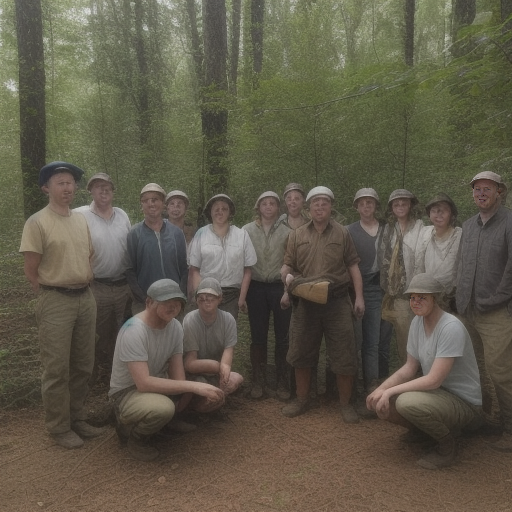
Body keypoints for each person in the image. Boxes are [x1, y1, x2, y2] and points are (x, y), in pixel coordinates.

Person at [19, 161, 104, 449]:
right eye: (61, 183)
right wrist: (48, 292)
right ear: (46, 188)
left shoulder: (81, 220)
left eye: (71, 183)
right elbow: (32, 269)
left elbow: (88, 255)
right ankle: (58, 426)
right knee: (56, 368)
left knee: (83, 364)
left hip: (85, 298)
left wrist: (83, 280)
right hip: (55, 299)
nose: (68, 188)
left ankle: (77, 417)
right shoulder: (37, 222)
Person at [367, 274, 483, 470]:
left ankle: (447, 445)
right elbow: (409, 368)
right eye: (413, 297)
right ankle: (425, 432)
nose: (416, 302)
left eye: (423, 297)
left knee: (404, 401)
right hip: (439, 396)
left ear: (435, 299)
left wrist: (389, 391)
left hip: (465, 403)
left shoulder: (450, 327)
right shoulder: (417, 323)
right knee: (384, 401)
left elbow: (434, 380)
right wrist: (381, 389)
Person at [109, 279, 225, 461]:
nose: (172, 308)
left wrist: (191, 388)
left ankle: (168, 422)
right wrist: (193, 388)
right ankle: (134, 436)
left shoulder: (175, 327)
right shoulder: (133, 329)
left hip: (154, 383)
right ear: (148, 303)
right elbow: (143, 383)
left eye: (177, 303)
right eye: (166, 303)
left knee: (189, 384)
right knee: (164, 408)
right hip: (128, 392)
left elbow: (177, 375)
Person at [281, 186, 364, 423]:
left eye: (324, 203)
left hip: (337, 301)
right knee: (301, 351)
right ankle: (302, 399)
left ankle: (346, 403)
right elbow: (287, 267)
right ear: (308, 208)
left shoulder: (342, 233)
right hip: (305, 302)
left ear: (331, 207)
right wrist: (285, 287)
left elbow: (353, 266)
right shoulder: (296, 235)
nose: (320, 206)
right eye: (315, 203)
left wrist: (358, 298)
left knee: (344, 353)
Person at [456, 167, 512, 452]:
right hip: (467, 309)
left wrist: (496, 299)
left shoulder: (509, 222)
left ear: (499, 192)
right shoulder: (467, 226)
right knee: (475, 369)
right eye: (477, 189)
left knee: (500, 370)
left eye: (487, 188)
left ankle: (510, 429)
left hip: (496, 311)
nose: (481, 193)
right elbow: (462, 266)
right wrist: (459, 296)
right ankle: (485, 419)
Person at [74, 173, 131, 380]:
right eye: (98, 187)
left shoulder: (122, 215)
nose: (103, 190)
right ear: (90, 191)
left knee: (124, 329)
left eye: (107, 187)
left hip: (124, 285)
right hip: (98, 286)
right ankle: (95, 372)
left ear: (113, 191)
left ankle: (119, 371)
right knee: (98, 331)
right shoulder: (79, 215)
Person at [243, 191, 292, 400]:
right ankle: (258, 380)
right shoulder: (245, 231)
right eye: (264, 203)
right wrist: (242, 293)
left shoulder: (288, 231)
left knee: (283, 337)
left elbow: (292, 261)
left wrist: (288, 291)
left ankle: (282, 382)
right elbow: (242, 262)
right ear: (258, 207)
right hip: (255, 288)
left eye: (273, 203)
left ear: (278, 208)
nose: (269, 207)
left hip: (279, 288)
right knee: (258, 335)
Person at [188, 194, 257, 321]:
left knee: (226, 333)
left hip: (231, 294)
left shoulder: (241, 235)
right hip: (206, 292)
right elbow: (194, 268)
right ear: (210, 212)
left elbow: (247, 270)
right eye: (216, 209)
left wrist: (241, 299)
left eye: (224, 209)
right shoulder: (201, 234)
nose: (220, 212)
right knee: (205, 332)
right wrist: (199, 295)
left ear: (230, 212)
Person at [347, 188, 389, 392]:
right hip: (360, 290)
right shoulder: (349, 231)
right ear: (356, 207)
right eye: (362, 203)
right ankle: (367, 387)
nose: (366, 206)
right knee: (367, 342)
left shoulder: (387, 229)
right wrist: (358, 295)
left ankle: (383, 384)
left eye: (370, 202)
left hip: (386, 290)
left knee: (384, 342)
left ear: (376, 205)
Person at [183, 277, 244, 410]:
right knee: (208, 394)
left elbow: (229, 350)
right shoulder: (190, 320)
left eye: (211, 298)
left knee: (236, 379)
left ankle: (214, 399)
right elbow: (189, 364)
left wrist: (225, 369)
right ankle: (196, 409)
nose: (206, 302)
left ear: (219, 299)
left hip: (216, 372)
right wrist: (218, 366)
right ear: (197, 300)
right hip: (196, 373)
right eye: (202, 298)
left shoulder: (228, 319)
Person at [127, 183, 188, 314]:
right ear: (141, 205)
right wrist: (144, 299)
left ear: (163, 204)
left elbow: (184, 269)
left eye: (155, 199)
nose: (151, 204)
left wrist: (180, 296)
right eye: (145, 201)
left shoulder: (176, 233)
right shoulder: (135, 234)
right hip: (146, 303)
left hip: (173, 300)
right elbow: (130, 271)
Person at [380, 189, 424, 365]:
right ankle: (409, 380)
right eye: (396, 204)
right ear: (391, 208)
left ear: (411, 205)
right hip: (397, 295)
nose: (400, 207)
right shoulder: (389, 231)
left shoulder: (421, 228)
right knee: (404, 340)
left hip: (418, 291)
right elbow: (383, 260)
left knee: (424, 338)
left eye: (404, 203)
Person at [414, 193, 461, 303]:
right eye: (434, 211)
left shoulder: (459, 236)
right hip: (427, 295)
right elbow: (419, 266)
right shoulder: (425, 233)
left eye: (443, 211)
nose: (438, 215)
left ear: (451, 214)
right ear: (429, 214)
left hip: (452, 298)